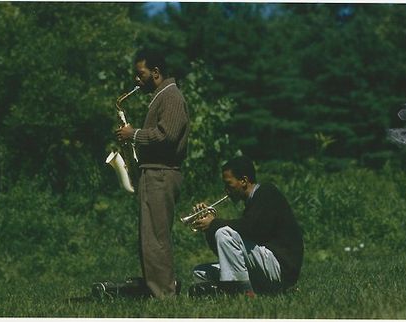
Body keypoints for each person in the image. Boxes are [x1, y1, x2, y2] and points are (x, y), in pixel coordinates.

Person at [116, 49, 190, 298]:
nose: (137, 80)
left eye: (141, 74)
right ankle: (157, 290)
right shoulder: (162, 96)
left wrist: (133, 134)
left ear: (156, 73)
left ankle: (164, 294)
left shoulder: (171, 96)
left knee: (156, 238)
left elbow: (166, 136)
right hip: (154, 173)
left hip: (161, 174)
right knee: (150, 238)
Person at [190, 156, 303, 297]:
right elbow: (226, 251)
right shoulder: (251, 203)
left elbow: (251, 228)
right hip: (265, 267)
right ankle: (229, 290)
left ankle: (242, 294)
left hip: (281, 268)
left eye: (229, 185)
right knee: (200, 272)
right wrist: (207, 227)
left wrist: (213, 223)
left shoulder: (267, 192)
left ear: (243, 180)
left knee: (224, 233)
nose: (226, 190)